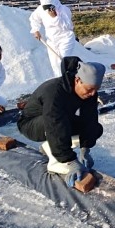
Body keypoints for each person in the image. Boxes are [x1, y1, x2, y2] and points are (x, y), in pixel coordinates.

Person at [17, 57, 105, 187]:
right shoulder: (54, 91)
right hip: (31, 124)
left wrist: (85, 148)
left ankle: (50, 146)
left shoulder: (90, 92)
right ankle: (58, 160)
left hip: (58, 121)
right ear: (77, 80)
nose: (92, 94)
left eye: (95, 90)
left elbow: (89, 118)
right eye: (89, 89)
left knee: (96, 128)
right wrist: (70, 161)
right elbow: (55, 124)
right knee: (61, 122)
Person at [29, 0, 77, 77]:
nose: (47, 9)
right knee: (55, 63)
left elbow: (68, 27)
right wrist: (36, 30)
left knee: (63, 59)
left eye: (49, 6)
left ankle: (68, 79)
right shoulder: (40, 10)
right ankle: (60, 80)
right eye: (45, 7)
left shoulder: (63, 10)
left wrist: (56, 18)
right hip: (51, 39)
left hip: (65, 38)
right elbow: (34, 19)